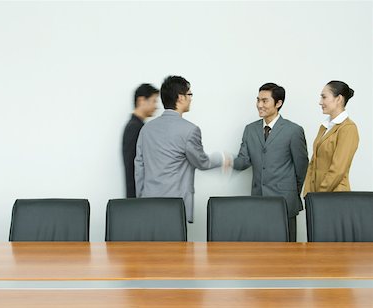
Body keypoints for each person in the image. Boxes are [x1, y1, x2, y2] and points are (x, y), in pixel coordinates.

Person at [134, 75, 222, 223]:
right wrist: (222, 159)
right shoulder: (190, 130)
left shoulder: (146, 129)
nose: (191, 98)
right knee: (176, 246)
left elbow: (139, 167)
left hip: (148, 204)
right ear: (180, 98)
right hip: (175, 207)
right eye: (190, 94)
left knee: (150, 246)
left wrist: (141, 200)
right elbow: (202, 162)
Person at [228, 83, 308, 241]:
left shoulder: (293, 130)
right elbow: (244, 160)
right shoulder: (250, 129)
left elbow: (302, 165)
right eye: (258, 100)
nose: (259, 105)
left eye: (265, 101)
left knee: (287, 251)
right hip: (258, 200)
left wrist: (292, 190)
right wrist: (227, 162)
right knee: (260, 251)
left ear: (278, 103)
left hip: (285, 200)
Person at [303, 81, 359, 195]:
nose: (320, 102)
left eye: (324, 97)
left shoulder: (348, 128)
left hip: (334, 198)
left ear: (338, 99)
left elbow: (338, 170)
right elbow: (313, 164)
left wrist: (320, 195)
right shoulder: (324, 127)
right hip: (317, 196)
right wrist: (308, 193)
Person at [122, 83, 159, 198]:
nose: (156, 106)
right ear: (142, 100)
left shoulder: (138, 126)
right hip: (138, 198)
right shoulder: (135, 127)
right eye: (154, 101)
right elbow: (133, 165)